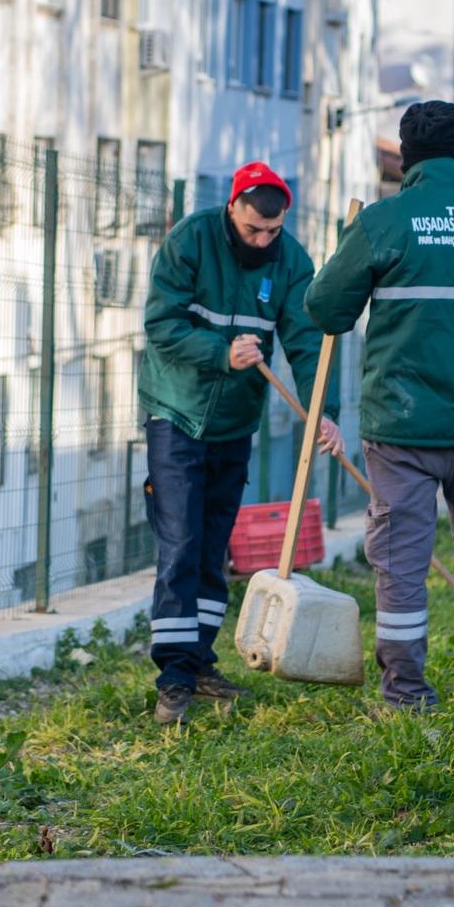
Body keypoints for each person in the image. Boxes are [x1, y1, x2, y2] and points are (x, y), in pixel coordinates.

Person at [305, 100, 454, 711]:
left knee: (401, 569)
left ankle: (407, 693)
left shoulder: (383, 223)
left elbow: (325, 310)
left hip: (401, 430)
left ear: (408, 157)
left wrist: (349, 250)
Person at [137, 161, 344, 726]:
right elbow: (161, 325)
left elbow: (306, 342)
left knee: (212, 549)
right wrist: (219, 353)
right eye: (254, 230)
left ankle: (201, 663)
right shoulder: (190, 240)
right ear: (233, 208)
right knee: (179, 544)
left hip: (235, 423)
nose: (262, 241)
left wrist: (322, 412)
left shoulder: (292, 261)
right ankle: (173, 678)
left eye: (272, 232)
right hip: (176, 414)